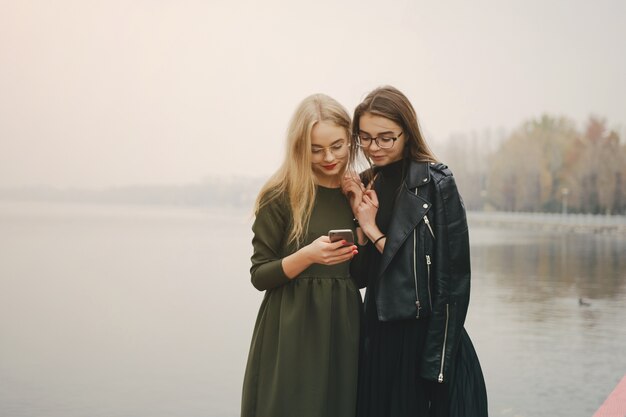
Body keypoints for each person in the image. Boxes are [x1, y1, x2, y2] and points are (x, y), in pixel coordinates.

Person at [342, 86, 488, 417]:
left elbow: (453, 280)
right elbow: (362, 277)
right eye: (364, 138)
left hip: (425, 338)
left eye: (385, 138)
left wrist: (437, 364)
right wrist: (360, 230)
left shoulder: (437, 184)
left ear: (407, 133)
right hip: (378, 337)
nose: (373, 148)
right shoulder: (365, 185)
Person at [241, 94, 362, 417]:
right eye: (316, 149)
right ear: (299, 146)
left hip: (344, 326)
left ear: (350, 140)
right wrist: (307, 255)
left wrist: (363, 219)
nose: (328, 157)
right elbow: (259, 275)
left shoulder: (359, 188)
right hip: (290, 328)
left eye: (337, 146)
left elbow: (362, 275)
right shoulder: (280, 195)